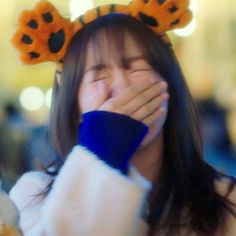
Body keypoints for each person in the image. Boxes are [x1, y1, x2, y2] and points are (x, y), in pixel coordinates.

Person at [10, 0, 236, 235]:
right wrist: (104, 153)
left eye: (137, 69)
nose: (122, 86)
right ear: (74, 108)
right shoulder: (32, 197)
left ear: (171, 88)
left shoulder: (228, 200)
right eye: (98, 77)